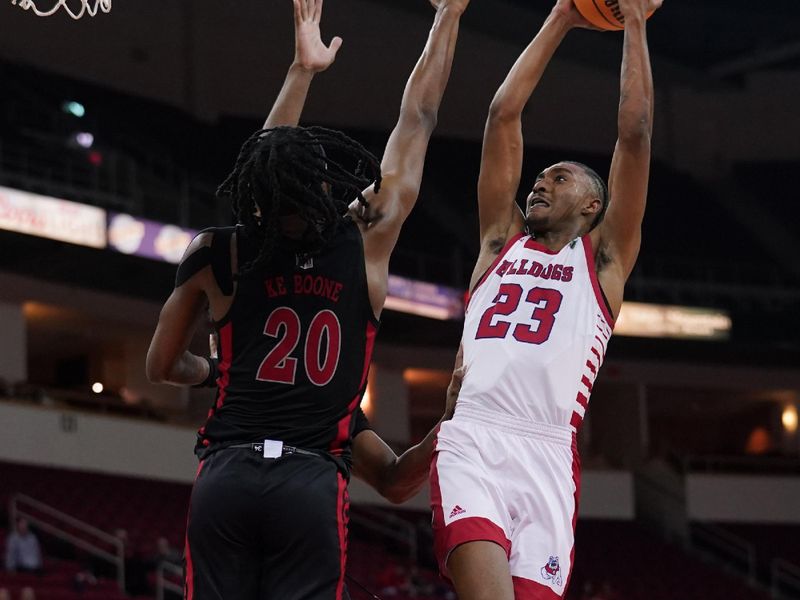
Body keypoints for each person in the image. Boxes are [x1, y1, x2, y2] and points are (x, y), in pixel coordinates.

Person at [145, 0, 469, 597]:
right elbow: (417, 119)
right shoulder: (363, 240)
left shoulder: (216, 252)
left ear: (256, 186)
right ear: (324, 184)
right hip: (308, 479)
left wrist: (216, 370)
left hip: (226, 476)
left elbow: (161, 367)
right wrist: (447, 14)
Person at [428, 0, 659, 597]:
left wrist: (633, 19)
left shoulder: (603, 262)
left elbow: (634, 135)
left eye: (559, 177)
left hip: (550, 454)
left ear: (592, 207)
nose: (540, 181)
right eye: (540, 176)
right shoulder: (498, 240)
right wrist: (561, 15)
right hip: (474, 437)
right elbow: (502, 114)